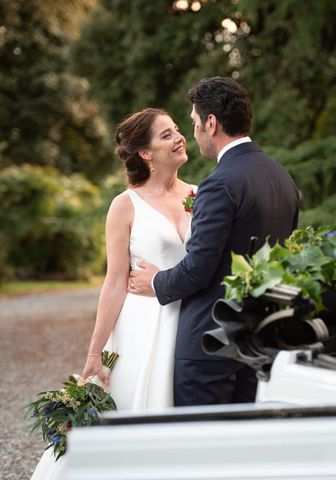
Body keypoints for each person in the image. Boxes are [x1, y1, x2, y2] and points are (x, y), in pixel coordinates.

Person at [31, 107, 193, 480]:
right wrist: (93, 353)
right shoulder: (125, 205)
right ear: (145, 153)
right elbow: (115, 280)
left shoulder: (199, 195)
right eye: (166, 134)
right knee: (128, 411)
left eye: (177, 130)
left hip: (186, 320)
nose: (178, 137)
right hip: (140, 327)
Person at [128, 77, 300, 406]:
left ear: (211, 122)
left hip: (211, 343)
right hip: (262, 337)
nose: (192, 134)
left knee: (202, 444)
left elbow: (198, 269)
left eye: (193, 123)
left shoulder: (219, 184)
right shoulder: (282, 177)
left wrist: (155, 280)